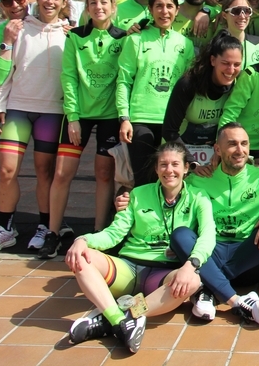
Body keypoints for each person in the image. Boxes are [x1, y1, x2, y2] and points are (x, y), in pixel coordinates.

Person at [65, 142, 215, 353]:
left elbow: (208, 236)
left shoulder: (199, 198)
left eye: (175, 164)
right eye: (163, 164)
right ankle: (119, 320)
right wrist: (84, 240)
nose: (169, 170)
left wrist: (191, 265)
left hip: (163, 274)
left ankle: (124, 316)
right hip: (129, 266)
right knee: (82, 257)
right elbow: (114, 233)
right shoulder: (137, 194)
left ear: (186, 168)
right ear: (156, 169)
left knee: (193, 280)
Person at [169, 123, 259, 323]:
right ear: (218, 149)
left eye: (244, 144)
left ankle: (209, 286)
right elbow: (169, 202)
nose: (240, 150)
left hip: (247, 259)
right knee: (181, 234)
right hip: (211, 250)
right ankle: (236, 299)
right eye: (232, 144)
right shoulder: (199, 180)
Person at [0, 0, 70, 253]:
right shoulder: (18, 30)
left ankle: (45, 227)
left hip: (52, 111)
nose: (50, 1)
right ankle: (6, 229)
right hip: (19, 108)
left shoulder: (70, 34)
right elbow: (5, 74)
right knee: (6, 170)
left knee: (45, 172)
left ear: (64, 2)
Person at [39, 0, 127, 259]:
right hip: (80, 116)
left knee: (104, 174)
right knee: (62, 173)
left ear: (113, 7)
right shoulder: (76, 37)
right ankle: (52, 233)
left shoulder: (123, 38)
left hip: (111, 115)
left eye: (104, 2)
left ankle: (98, 232)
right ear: (86, 8)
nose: (98, 7)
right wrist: (73, 117)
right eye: (92, 3)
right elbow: (69, 77)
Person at [116, 0, 194, 187]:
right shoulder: (135, 40)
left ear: (177, 10)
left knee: (171, 182)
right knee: (142, 182)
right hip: (140, 120)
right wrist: (124, 118)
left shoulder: (185, 44)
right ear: (150, 9)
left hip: (173, 124)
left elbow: (189, 86)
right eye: (158, 6)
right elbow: (124, 81)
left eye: (169, 6)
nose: (164, 11)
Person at [162, 33, 244, 159]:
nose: (231, 70)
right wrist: (192, 163)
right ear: (213, 60)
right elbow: (169, 132)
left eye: (237, 64)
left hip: (217, 153)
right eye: (225, 63)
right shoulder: (188, 84)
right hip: (181, 149)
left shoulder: (240, 84)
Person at [217, 0, 259, 67]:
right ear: (224, 15)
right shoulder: (216, 45)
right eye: (236, 11)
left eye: (246, 11)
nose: (242, 16)